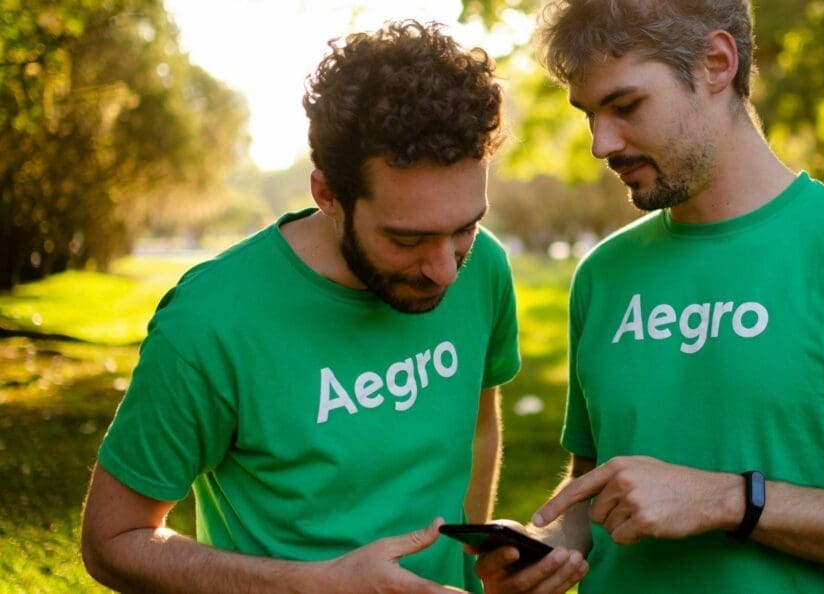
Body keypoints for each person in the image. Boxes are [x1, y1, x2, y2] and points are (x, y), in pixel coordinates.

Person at [475, 1, 824, 593]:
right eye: (589, 113)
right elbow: (597, 489)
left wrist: (732, 500)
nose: (601, 143)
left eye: (625, 106)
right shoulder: (603, 273)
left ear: (716, 62)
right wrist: (549, 545)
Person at [81, 20, 523, 593]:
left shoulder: (483, 266)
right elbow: (112, 541)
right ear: (328, 195)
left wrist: (476, 556)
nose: (444, 269)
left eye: (465, 226)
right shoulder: (208, 322)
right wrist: (311, 583)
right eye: (408, 239)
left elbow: (478, 426)